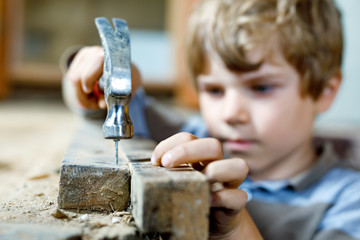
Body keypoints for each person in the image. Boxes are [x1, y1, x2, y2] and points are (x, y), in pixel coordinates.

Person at [62, 0, 360, 239]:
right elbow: (104, 107)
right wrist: (98, 75)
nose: (231, 113)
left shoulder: (348, 203)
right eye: (215, 90)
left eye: (261, 87)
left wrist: (234, 230)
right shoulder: (195, 140)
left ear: (324, 90)